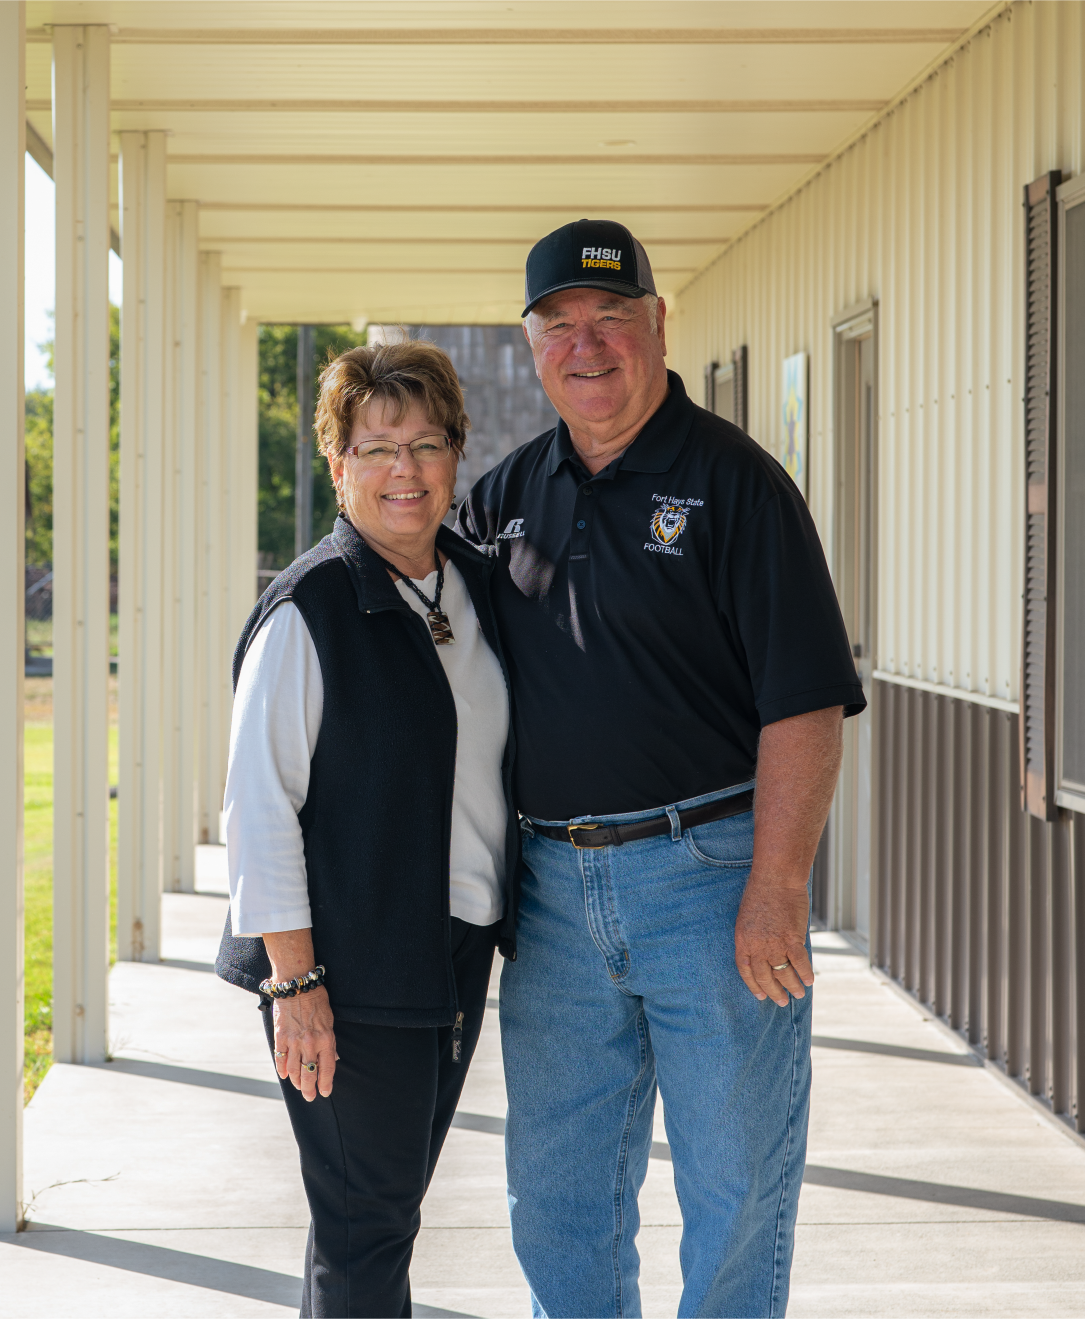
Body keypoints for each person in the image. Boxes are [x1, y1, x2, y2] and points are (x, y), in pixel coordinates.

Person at [457, 219, 866, 1319]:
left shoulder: (738, 485)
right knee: (555, 1195)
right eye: (559, 326)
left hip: (711, 876)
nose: (585, 347)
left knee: (733, 1192)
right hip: (548, 893)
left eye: (610, 320)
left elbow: (806, 704)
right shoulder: (499, 501)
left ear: (657, 324)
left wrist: (774, 891)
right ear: (531, 341)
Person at [215, 339, 518, 1319]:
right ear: (336, 464)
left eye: (425, 444)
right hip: (343, 968)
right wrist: (293, 981)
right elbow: (257, 807)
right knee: (365, 1227)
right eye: (375, 446)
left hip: (451, 951)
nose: (403, 470)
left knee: (375, 1215)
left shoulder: (472, 588)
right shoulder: (310, 609)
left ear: (454, 458)